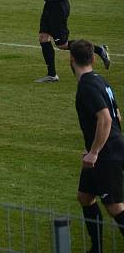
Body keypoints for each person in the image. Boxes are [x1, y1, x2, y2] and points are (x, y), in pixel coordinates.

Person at [72, 39, 124, 252]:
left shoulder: (86, 86)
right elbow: (117, 115)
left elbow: (106, 119)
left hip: (105, 154)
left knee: (115, 207)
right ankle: (97, 248)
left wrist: (94, 151)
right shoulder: (101, 80)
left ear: (71, 60)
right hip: (107, 148)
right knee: (85, 197)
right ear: (93, 58)